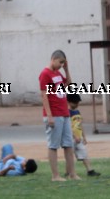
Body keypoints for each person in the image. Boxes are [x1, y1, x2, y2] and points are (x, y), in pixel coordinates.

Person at [39, 49, 79, 181]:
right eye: (60, 62)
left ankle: (72, 173)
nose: (61, 65)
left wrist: (66, 70)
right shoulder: (45, 74)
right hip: (54, 114)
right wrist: (49, 116)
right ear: (53, 59)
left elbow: (69, 85)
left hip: (64, 113)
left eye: (63, 63)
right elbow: (44, 96)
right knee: (53, 145)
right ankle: (55, 175)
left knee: (68, 145)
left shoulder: (57, 73)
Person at [66, 93, 100, 176]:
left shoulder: (77, 112)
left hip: (79, 138)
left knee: (84, 154)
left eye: (77, 102)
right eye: (74, 102)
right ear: (68, 102)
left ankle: (90, 170)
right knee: (69, 155)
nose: (77, 104)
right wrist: (74, 136)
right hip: (71, 138)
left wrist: (84, 137)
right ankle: (68, 172)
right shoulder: (67, 113)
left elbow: (80, 125)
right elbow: (67, 127)